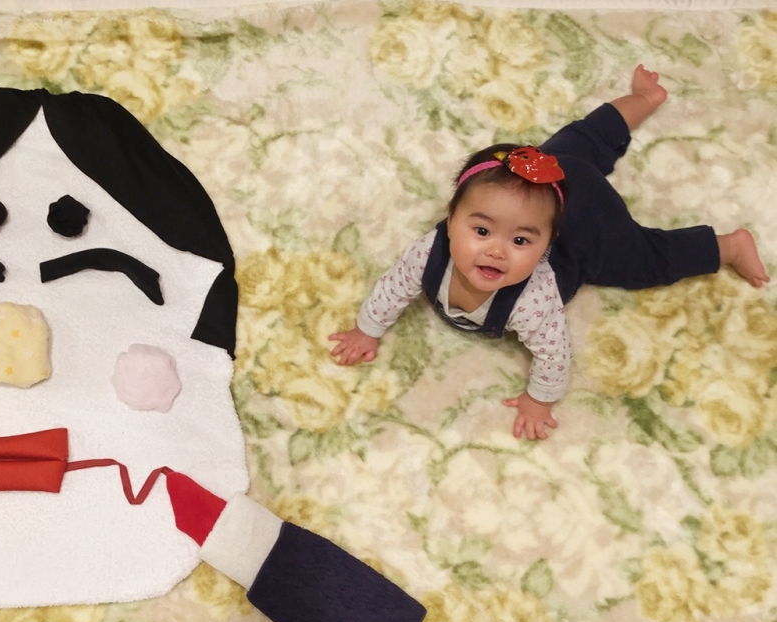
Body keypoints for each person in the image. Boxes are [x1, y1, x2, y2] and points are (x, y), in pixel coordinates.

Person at [329, 65, 769, 441]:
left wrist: (538, 401)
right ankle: (645, 98)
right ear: (451, 219)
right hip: (549, 173)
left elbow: (555, 355)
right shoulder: (430, 251)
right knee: (583, 139)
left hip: (588, 218)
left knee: (645, 262)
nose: (497, 251)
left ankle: (727, 245)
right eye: (481, 230)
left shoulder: (532, 300)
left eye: (521, 241)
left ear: (546, 244)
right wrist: (367, 330)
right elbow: (393, 286)